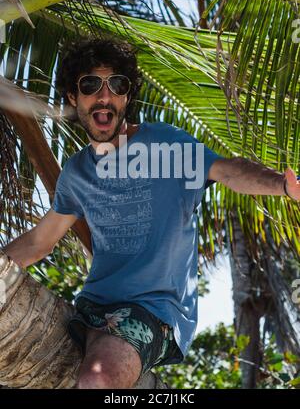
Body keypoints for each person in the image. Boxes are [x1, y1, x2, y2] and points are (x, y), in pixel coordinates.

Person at [2, 37, 299, 389]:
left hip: (154, 313)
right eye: (90, 85)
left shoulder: (165, 144)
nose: (105, 95)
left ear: (127, 97)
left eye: (118, 85)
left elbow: (227, 171)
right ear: (72, 97)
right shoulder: (78, 172)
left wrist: (282, 185)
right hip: (92, 310)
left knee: (99, 381)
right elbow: (39, 242)